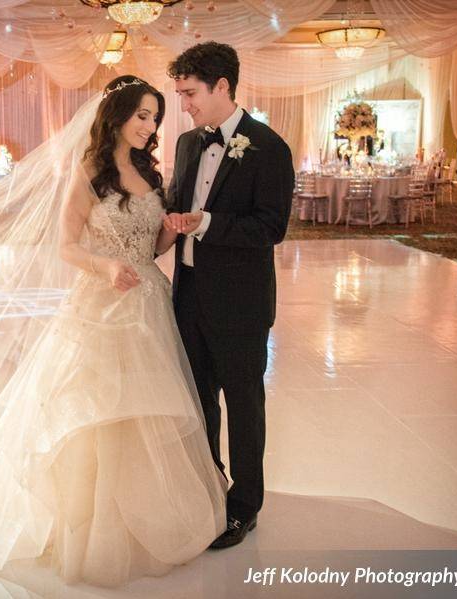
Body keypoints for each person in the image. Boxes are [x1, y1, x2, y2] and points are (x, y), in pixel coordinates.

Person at [0, 75, 227, 587]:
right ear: (117, 116)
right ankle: (89, 527)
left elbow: (149, 249)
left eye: (155, 118)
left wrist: (169, 235)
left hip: (148, 302)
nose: (149, 127)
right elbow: (66, 245)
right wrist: (105, 269)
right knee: (97, 410)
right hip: (101, 305)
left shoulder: (152, 175)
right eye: (142, 116)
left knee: (143, 409)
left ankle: (142, 516)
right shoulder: (88, 172)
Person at [163, 42, 295, 549]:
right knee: (198, 403)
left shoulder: (269, 147)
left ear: (222, 86)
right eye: (180, 94)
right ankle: (208, 487)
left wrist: (209, 223)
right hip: (189, 295)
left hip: (241, 305)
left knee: (243, 408)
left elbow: (271, 228)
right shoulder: (187, 143)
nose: (186, 104)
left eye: (190, 93)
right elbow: (177, 206)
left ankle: (244, 507)